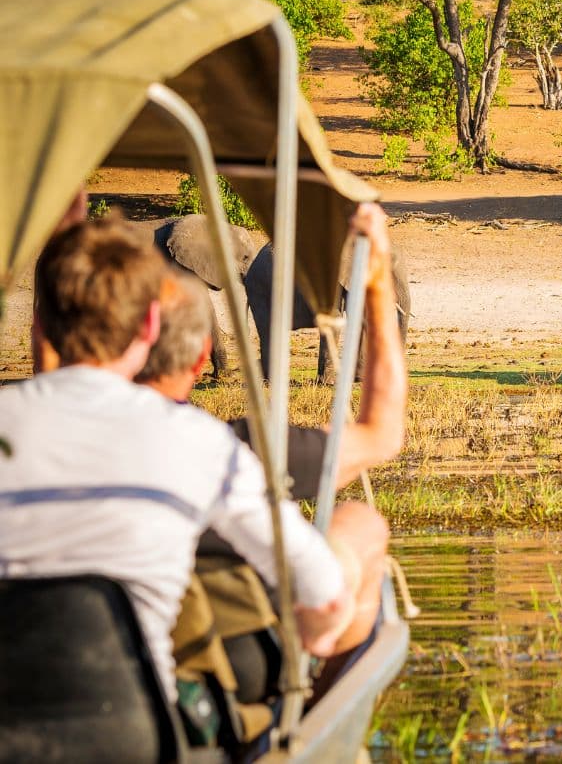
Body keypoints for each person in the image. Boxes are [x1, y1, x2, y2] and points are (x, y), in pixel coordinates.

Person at [0, 216, 382, 703]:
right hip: (141, 727)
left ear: (38, 323)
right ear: (150, 326)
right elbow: (324, 593)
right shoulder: (197, 441)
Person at [137, 204, 405, 717]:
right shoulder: (224, 452)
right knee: (361, 524)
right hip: (204, 687)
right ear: (200, 359)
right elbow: (383, 433)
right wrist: (377, 284)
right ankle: (307, 722)